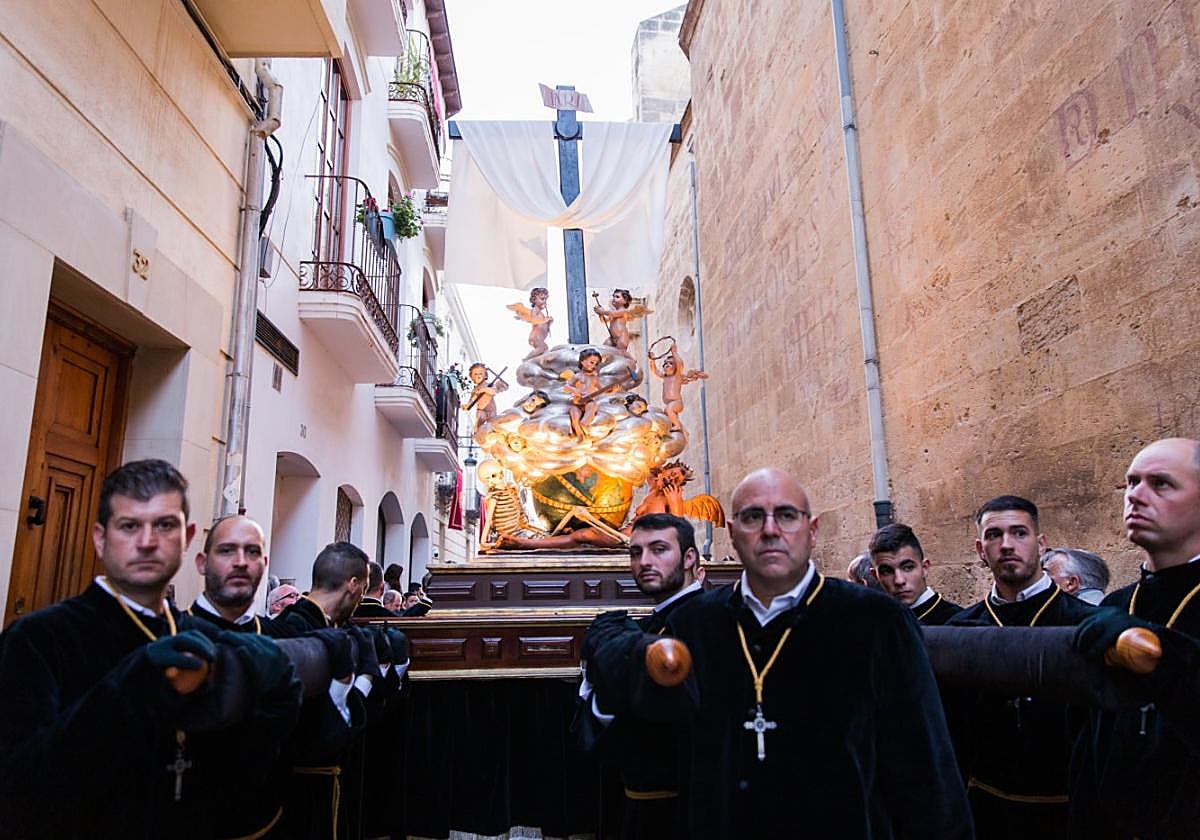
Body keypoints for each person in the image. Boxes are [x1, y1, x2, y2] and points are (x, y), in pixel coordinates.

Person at [595, 468, 970, 838]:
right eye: (753, 517)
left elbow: (924, 765)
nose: (770, 529)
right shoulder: (695, 624)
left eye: (787, 515)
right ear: (733, 533)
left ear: (813, 530)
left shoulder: (876, 620)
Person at [0, 459, 300, 839]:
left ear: (187, 536)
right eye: (129, 526)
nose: (147, 541)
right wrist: (131, 687)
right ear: (100, 538)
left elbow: (244, 769)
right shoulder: (39, 638)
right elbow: (20, 789)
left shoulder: (202, 636)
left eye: (164, 525)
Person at [1069, 437, 1200, 838]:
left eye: (1161, 484)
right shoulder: (1118, 605)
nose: (1136, 496)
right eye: (1131, 482)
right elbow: (1092, 741)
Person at [947, 495, 1095, 839]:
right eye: (994, 535)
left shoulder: (1086, 623)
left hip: (1069, 810)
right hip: (986, 810)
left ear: (1040, 543)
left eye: (1019, 533)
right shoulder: (960, 629)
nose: (1007, 545)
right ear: (980, 549)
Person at [582, 513, 705, 839]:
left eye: (659, 549)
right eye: (636, 552)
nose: (644, 562)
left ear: (689, 557)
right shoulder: (663, 618)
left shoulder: (700, 620)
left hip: (679, 812)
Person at [188, 514, 275, 633]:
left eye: (253, 552)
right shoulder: (167, 635)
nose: (241, 562)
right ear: (202, 563)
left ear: (264, 564)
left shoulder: (281, 642)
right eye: (226, 551)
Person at [869, 523, 963, 624]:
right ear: (875, 576)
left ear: (925, 568)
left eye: (908, 568)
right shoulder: (876, 624)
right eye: (887, 572)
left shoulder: (958, 621)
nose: (899, 580)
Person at [1042, 547, 1109, 605]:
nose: (1041, 580)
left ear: (1071, 583)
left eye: (1046, 575)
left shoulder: (1068, 617)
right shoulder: (1114, 612)